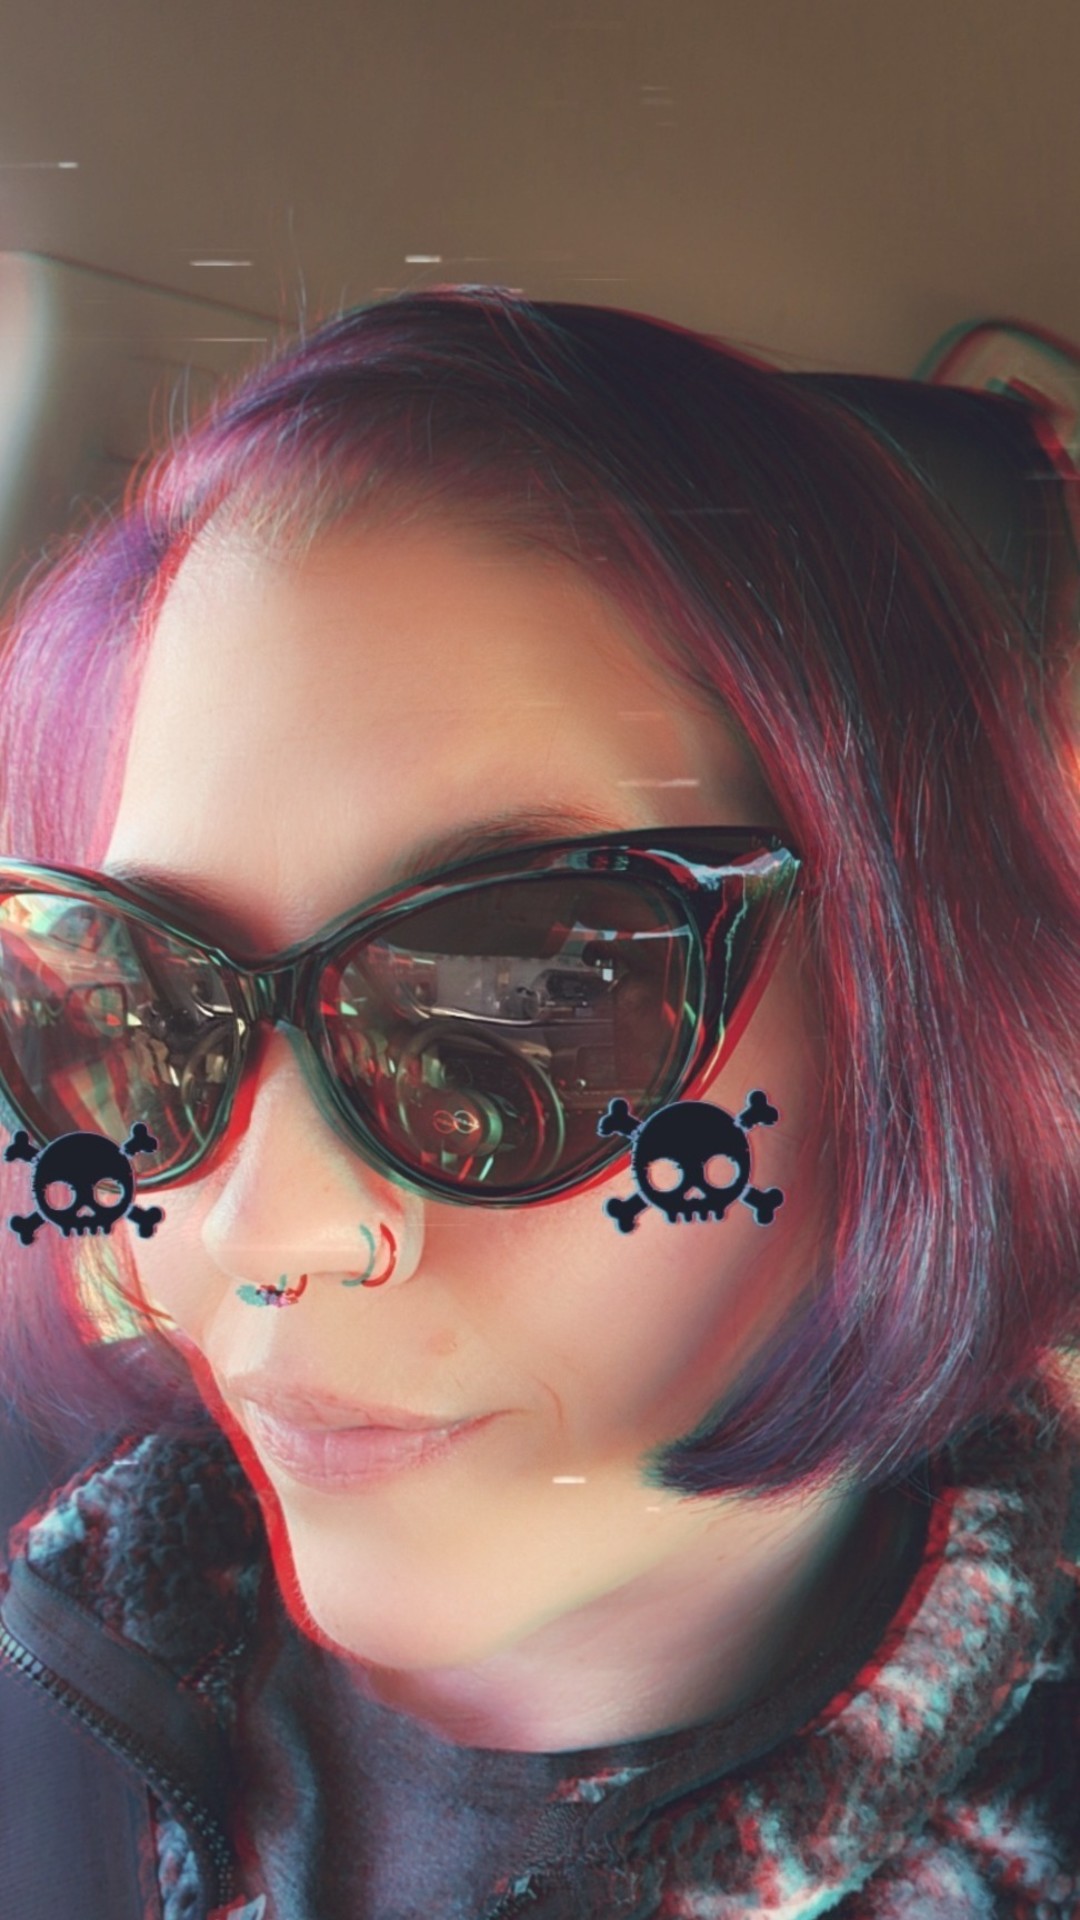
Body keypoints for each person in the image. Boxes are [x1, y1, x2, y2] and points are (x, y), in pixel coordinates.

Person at [0, 289, 1077, 1920]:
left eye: (525, 995)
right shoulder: (51, 1536)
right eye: (147, 989)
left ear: (914, 1013)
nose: (258, 1231)